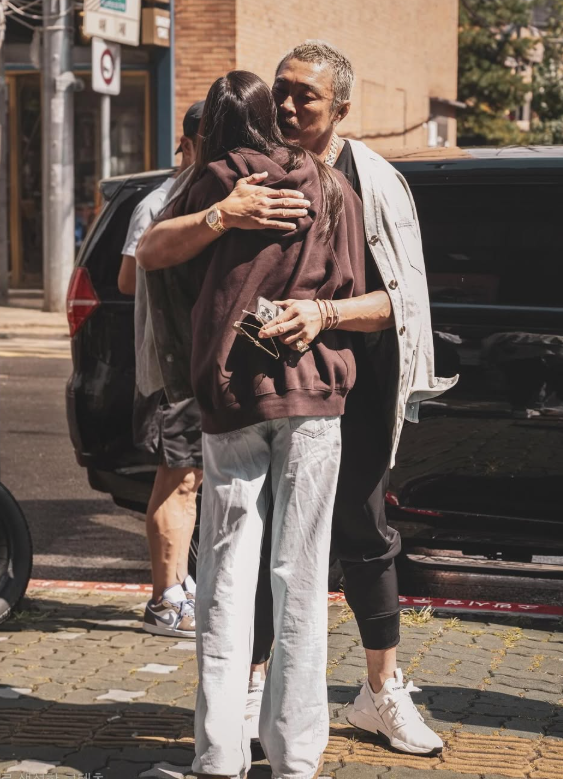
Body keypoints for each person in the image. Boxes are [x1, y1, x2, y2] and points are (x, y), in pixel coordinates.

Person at [137, 42, 457, 758]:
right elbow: (152, 249)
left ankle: (380, 690)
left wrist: (322, 314)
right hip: (244, 398)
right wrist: (224, 213)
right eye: (278, 90)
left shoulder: (363, 181)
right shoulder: (229, 176)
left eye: (304, 96)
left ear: (341, 107)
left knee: (358, 538)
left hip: (341, 389)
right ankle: (254, 707)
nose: (286, 105)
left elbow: (402, 301)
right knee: (249, 562)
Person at [139, 69, 366, 779]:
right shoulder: (333, 187)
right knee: (302, 574)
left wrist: (220, 217)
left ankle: (217, 754)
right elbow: (356, 292)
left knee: (225, 573)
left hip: (232, 393)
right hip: (313, 393)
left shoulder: (216, 180)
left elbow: (150, 253)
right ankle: (295, 757)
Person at [117, 101, 206, 638]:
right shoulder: (160, 203)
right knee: (179, 481)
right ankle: (164, 600)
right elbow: (128, 280)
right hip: (168, 366)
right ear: (189, 145)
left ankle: (177, 584)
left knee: (188, 480)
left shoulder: (190, 198)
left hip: (186, 366)